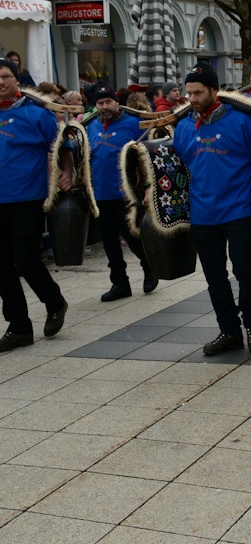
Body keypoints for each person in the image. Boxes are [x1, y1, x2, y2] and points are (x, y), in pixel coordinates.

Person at [172, 61, 251, 355]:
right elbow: (178, 163)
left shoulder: (243, 121)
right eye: (189, 93)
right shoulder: (185, 126)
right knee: (214, 276)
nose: (192, 99)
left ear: (214, 90)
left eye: (198, 92)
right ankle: (229, 331)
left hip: (237, 208)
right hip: (202, 212)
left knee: (245, 271)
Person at [0, 56, 70, 352]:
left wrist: (66, 171)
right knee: (1, 266)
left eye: (5, 76)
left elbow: (62, 146)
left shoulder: (36, 114)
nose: (1, 82)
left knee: (26, 259)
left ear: (17, 79)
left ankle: (54, 302)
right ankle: (19, 327)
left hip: (26, 198)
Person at [86, 82, 159, 302]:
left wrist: (147, 186)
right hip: (100, 193)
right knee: (108, 241)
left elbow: (147, 157)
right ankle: (120, 283)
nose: (104, 106)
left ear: (117, 103)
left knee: (132, 237)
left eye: (108, 101)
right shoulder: (92, 126)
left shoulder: (134, 124)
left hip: (126, 193)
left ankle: (149, 268)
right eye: (100, 103)